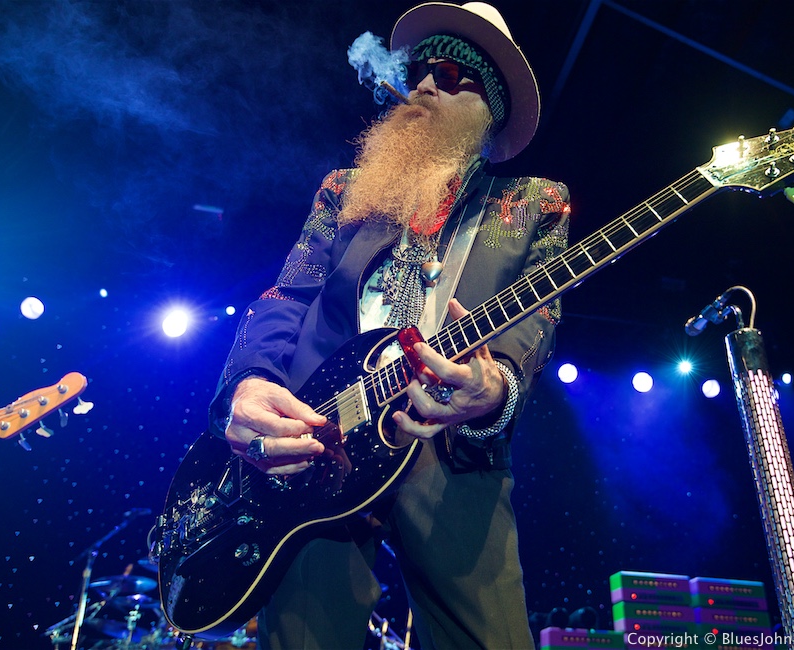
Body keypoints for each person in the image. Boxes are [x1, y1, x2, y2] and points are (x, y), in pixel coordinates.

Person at [209, 3, 570, 648]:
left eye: (453, 75)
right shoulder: (345, 190)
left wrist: (498, 388)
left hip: (446, 446)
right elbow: (285, 296)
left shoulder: (536, 204)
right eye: (420, 69)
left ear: (490, 108)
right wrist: (246, 382)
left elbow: (533, 325)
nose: (425, 84)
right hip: (320, 441)